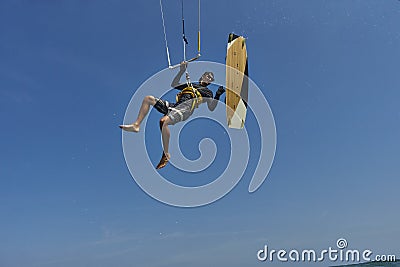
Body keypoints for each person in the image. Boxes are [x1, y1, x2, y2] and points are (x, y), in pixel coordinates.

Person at [120, 62, 225, 169]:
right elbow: (174, 84)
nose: (209, 78)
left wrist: (217, 94)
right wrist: (181, 71)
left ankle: (166, 154)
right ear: (203, 76)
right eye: (208, 76)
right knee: (148, 99)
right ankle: (136, 125)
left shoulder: (208, 92)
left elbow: (211, 107)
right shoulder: (191, 84)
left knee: (163, 121)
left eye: (211, 78)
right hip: (175, 106)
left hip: (186, 108)